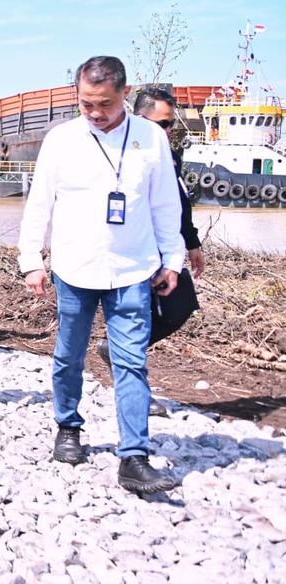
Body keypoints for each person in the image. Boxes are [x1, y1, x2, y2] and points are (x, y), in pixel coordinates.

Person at [18, 56, 184, 495]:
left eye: (104, 104)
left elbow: (165, 204)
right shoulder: (61, 140)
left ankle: (134, 457)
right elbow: (40, 204)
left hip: (134, 268)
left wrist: (173, 259)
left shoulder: (151, 139)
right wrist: (32, 259)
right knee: (69, 355)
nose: (93, 112)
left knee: (131, 361)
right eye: (86, 103)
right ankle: (68, 426)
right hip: (74, 267)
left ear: (125, 95)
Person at [92, 86, 208, 418]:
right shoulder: (124, 152)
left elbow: (177, 204)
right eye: (163, 124)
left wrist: (192, 243)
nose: (170, 131)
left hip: (166, 249)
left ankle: (114, 350)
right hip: (136, 248)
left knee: (181, 305)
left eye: (171, 124)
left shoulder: (169, 155)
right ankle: (137, 395)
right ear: (141, 118)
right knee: (139, 317)